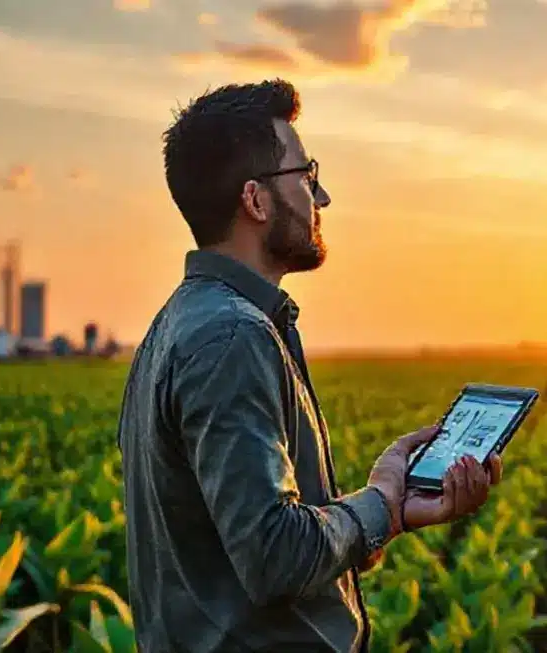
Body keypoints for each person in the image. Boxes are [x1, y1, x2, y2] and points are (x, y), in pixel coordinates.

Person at [116, 78, 503, 653]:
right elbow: (274, 555)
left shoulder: (175, 327)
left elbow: (245, 546)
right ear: (255, 200)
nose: (321, 199)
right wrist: (379, 501)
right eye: (307, 176)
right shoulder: (232, 337)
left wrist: (390, 514)